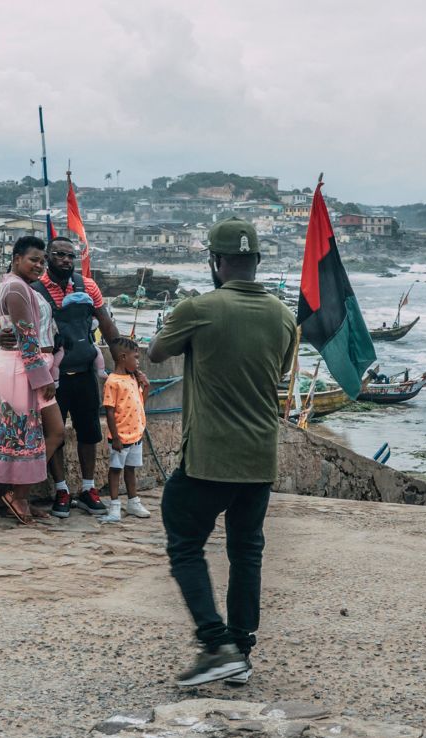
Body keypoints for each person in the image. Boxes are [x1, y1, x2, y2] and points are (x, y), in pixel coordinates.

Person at [148, 217, 298, 687]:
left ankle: (215, 645)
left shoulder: (199, 307)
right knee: (246, 552)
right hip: (260, 458)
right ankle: (242, 653)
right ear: (256, 262)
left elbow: (155, 352)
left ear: (215, 263)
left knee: (184, 543)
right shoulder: (284, 316)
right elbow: (280, 368)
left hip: (210, 457)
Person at [31, 236, 121, 518]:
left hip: (84, 372)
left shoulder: (88, 286)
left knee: (89, 432)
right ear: (48, 257)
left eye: (71, 255)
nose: (66, 260)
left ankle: (88, 488)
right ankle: (60, 489)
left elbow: (106, 325)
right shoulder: (36, 291)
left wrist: (124, 365)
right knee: (54, 435)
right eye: (59, 255)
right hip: (52, 377)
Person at [0, 236, 64, 525]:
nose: (39, 266)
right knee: (38, 433)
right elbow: (26, 338)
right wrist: (43, 379)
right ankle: (17, 496)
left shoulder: (15, 285)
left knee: (35, 434)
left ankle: (18, 494)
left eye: (42, 261)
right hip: (22, 368)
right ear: (16, 258)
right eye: (33, 260)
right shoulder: (16, 288)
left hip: (23, 365)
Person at [98, 337, 151, 523]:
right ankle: (114, 506)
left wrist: (146, 385)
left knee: (131, 469)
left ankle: (133, 501)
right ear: (122, 357)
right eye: (135, 357)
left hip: (136, 434)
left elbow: (141, 402)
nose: (138, 362)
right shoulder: (113, 382)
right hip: (121, 435)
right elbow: (110, 412)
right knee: (115, 469)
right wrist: (116, 437)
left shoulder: (132, 378)